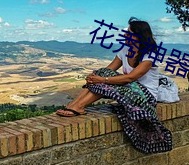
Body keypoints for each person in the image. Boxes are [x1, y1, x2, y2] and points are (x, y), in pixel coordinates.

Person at [56, 17, 172, 153]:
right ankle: (74, 105)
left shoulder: (149, 54)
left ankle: (79, 106)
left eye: (129, 33)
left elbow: (131, 77)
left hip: (145, 96)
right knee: (102, 73)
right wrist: (94, 77)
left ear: (138, 36)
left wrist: (102, 79)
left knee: (104, 79)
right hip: (129, 89)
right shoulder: (125, 51)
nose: (125, 35)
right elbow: (109, 69)